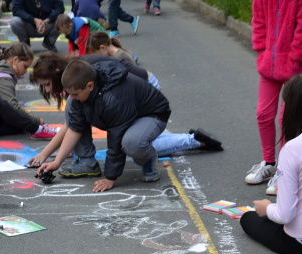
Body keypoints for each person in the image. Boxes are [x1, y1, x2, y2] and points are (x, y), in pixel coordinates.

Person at [28, 53, 222, 178]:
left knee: (133, 142)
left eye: (46, 84)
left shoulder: (91, 80)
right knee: (132, 138)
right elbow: (74, 125)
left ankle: (193, 140)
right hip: (128, 95)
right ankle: (87, 162)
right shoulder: (79, 81)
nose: (47, 90)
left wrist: (111, 177)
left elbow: (112, 132)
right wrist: (51, 157)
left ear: (57, 73)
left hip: (143, 92)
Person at [240, 74, 302, 254]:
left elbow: (285, 215)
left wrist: (266, 208)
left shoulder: (292, 149)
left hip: (297, 242)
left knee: (248, 218)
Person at [245, 0, 302, 193]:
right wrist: (262, 51)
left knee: (287, 119)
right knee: (263, 114)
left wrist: (295, 58)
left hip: (294, 66)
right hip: (269, 64)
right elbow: (258, 22)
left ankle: (286, 171)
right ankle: (269, 163)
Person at [0, 43, 60, 140]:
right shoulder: (3, 76)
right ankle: (37, 130)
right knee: (0, 104)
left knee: (18, 120)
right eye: (25, 66)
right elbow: (12, 105)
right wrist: (35, 121)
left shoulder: (4, 72)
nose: (25, 71)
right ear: (15, 60)